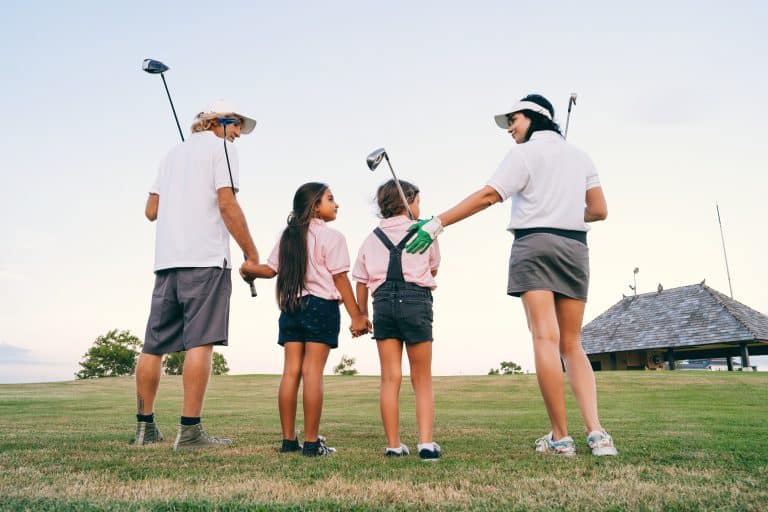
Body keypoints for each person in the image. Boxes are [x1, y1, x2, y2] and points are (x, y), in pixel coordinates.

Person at [406, 94, 618, 457]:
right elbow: (598, 210)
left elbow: (489, 195)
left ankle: (561, 438)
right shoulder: (581, 156)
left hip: (534, 244)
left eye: (514, 121)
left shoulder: (523, 154)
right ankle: (598, 435)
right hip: (574, 247)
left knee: (545, 339)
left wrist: (438, 222)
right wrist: (563, 204)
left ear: (536, 117)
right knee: (572, 343)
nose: (509, 129)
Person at [134, 99, 261, 450]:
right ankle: (189, 433)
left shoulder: (170, 155)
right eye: (235, 124)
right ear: (216, 122)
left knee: (153, 346)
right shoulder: (223, 150)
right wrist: (251, 253)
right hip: (205, 259)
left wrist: (184, 192)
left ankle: (145, 430)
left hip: (167, 262)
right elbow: (227, 204)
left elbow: (151, 210)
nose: (238, 133)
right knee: (200, 342)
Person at [241, 182, 370, 456]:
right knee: (312, 373)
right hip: (321, 307)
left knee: (290, 373)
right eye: (331, 199)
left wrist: (250, 270)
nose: (336, 204)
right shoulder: (333, 237)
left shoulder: (288, 235)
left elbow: (270, 269)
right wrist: (357, 316)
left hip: (291, 306)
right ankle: (311, 443)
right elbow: (339, 278)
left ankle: (289, 441)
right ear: (315, 206)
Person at [352, 179, 443, 461]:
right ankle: (426, 444)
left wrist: (362, 313)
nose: (420, 207)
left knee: (390, 378)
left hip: (382, 305)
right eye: (418, 201)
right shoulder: (426, 233)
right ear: (409, 201)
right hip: (416, 301)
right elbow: (433, 269)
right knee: (422, 378)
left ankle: (393, 445)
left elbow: (361, 280)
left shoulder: (371, 238)